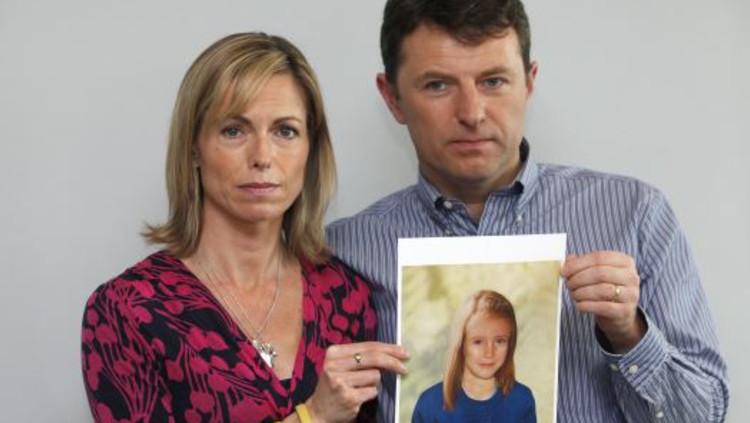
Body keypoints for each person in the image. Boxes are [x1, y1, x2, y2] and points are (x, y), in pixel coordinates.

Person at [326, 0, 729, 422]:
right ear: (392, 97)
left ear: (529, 82)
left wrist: (629, 334)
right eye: (438, 85)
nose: (472, 113)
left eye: (493, 81)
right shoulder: (345, 252)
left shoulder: (635, 215)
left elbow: (704, 415)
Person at [81, 32, 409, 423]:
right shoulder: (127, 310)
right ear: (193, 147)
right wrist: (313, 416)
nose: (262, 156)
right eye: (234, 130)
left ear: (310, 149)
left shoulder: (346, 294)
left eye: (285, 131)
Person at [412, 290, 536, 423]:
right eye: (478, 342)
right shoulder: (430, 404)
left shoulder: (522, 401)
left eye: (499, 341)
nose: (489, 353)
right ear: (461, 344)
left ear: (510, 344)